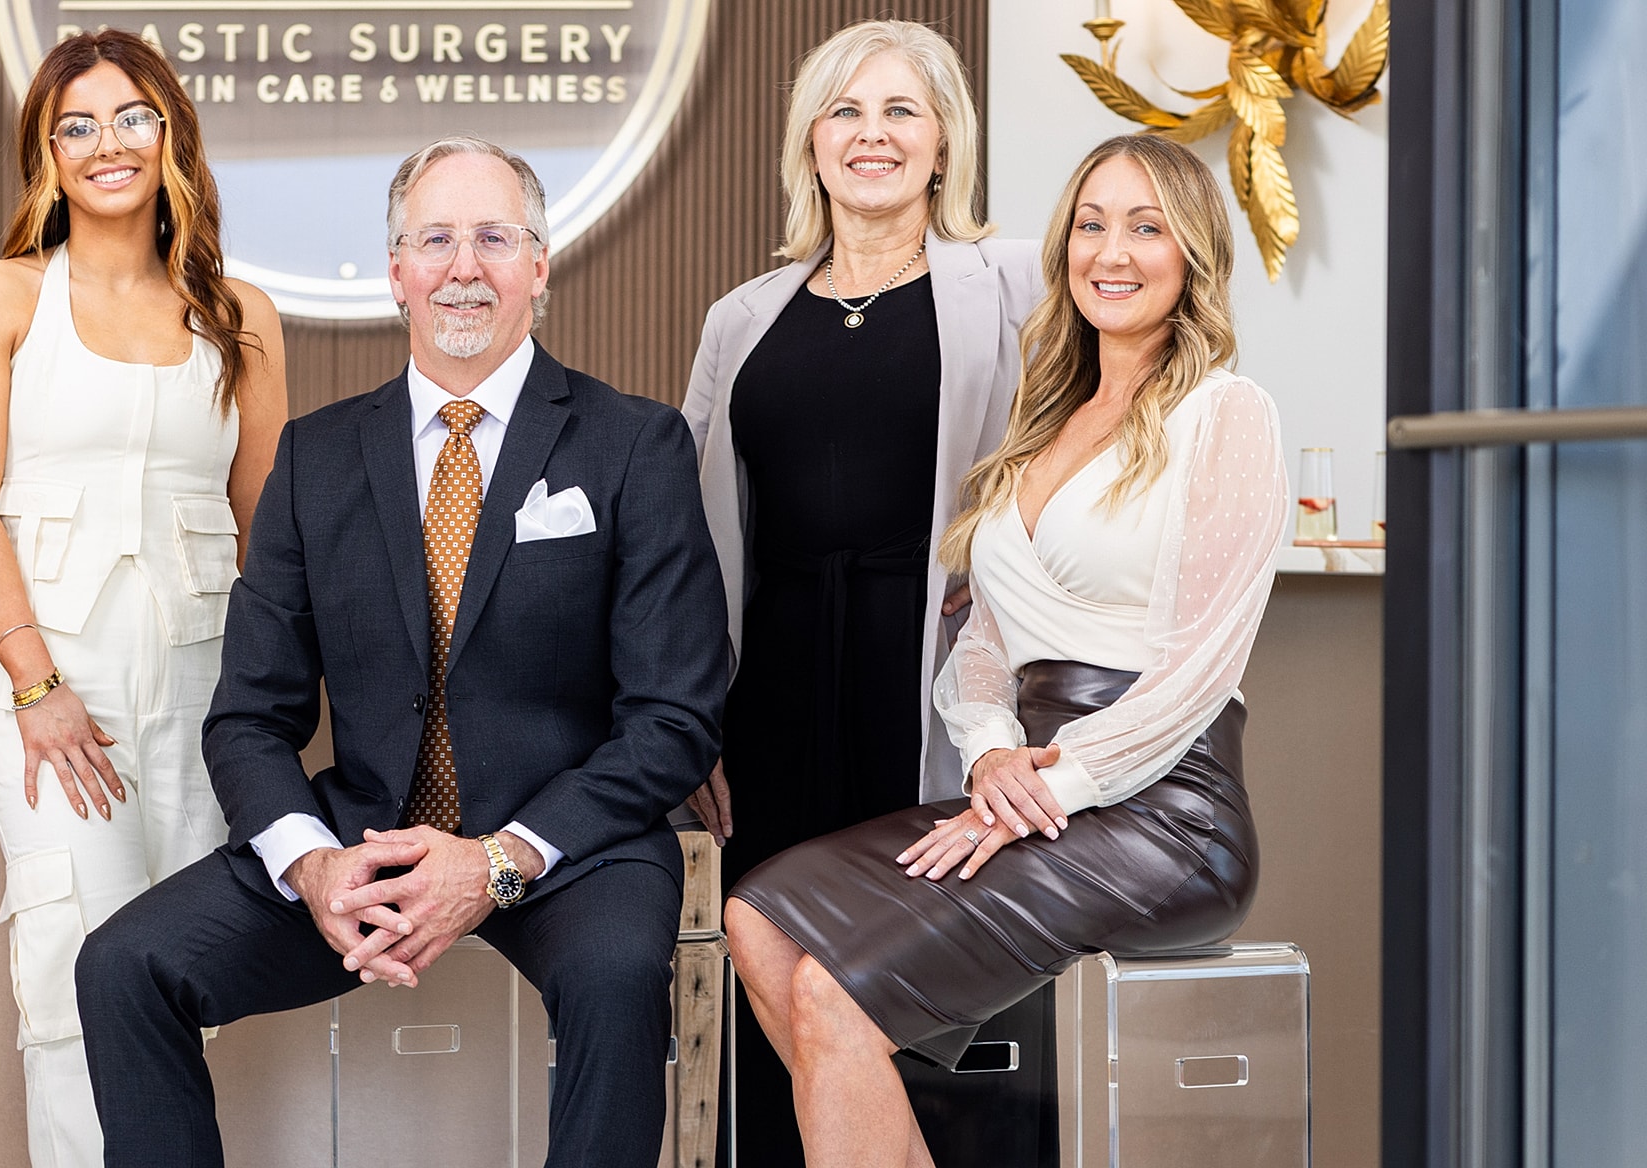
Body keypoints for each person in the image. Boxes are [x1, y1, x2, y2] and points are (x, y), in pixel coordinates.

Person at [74, 135, 726, 1168]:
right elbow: (249, 715)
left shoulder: (632, 444)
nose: (462, 266)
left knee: (611, 983)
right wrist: (313, 863)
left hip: (569, 844)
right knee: (122, 964)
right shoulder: (316, 456)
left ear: (538, 265)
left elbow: (674, 721)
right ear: (394, 273)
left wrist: (496, 862)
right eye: (433, 239)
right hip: (364, 840)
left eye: (492, 238)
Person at [723, 133, 1290, 1163]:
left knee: (832, 987)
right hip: (1026, 784)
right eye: (1089, 223)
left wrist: (1053, 785)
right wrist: (988, 752)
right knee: (758, 920)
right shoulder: (1042, 422)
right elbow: (984, 637)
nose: (1109, 253)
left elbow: (1197, 669)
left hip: (1163, 812)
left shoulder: (1225, 413)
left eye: (1145, 226)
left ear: (1193, 254)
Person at [673, 20, 1041, 1159]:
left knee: (929, 1006)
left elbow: (1066, 470)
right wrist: (694, 725)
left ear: (944, 146)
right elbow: (690, 541)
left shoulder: (1013, 283)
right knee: (773, 967)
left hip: (934, 686)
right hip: (771, 696)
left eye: (899, 112)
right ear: (808, 143)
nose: (869, 135)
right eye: (844, 111)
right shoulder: (740, 318)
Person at [0, 30, 285, 1168]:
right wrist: (35, 684)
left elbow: (264, 536)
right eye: (74, 124)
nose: (106, 144)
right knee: (70, 964)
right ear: (44, 153)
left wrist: (264, 720)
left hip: (198, 691)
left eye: (130, 116)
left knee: (173, 977)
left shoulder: (241, 316)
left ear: (170, 131)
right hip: (50, 691)